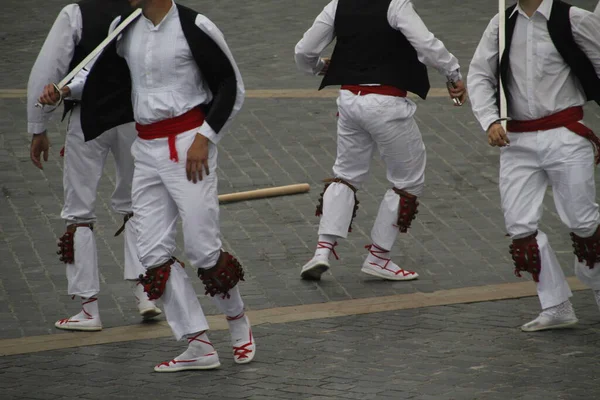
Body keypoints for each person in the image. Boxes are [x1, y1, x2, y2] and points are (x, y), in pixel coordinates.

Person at [64, 0, 254, 372]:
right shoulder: (124, 26)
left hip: (189, 146)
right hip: (146, 150)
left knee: (202, 249)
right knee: (151, 254)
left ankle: (237, 320)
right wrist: (66, 91)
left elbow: (232, 85)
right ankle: (198, 343)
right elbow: (103, 76)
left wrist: (207, 137)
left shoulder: (195, 25)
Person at [294, 0, 466, 281]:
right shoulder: (396, 5)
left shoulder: (339, 5)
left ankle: (322, 251)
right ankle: (378, 257)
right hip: (386, 103)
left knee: (346, 174)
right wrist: (453, 74)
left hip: (350, 100)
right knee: (408, 181)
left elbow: (303, 50)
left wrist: (317, 67)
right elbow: (427, 45)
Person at [467, 0, 600, 332]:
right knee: (520, 227)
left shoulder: (574, 18)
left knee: (583, 222)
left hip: (565, 134)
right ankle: (555, 305)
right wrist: (490, 120)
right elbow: (479, 75)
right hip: (517, 140)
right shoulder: (501, 22)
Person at [30, 0, 161, 332]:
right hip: (134, 119)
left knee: (79, 212)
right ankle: (145, 293)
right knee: (137, 204)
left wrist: (39, 125)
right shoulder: (151, 11)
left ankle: (89, 309)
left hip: (87, 119)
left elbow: (49, 68)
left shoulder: (78, 13)